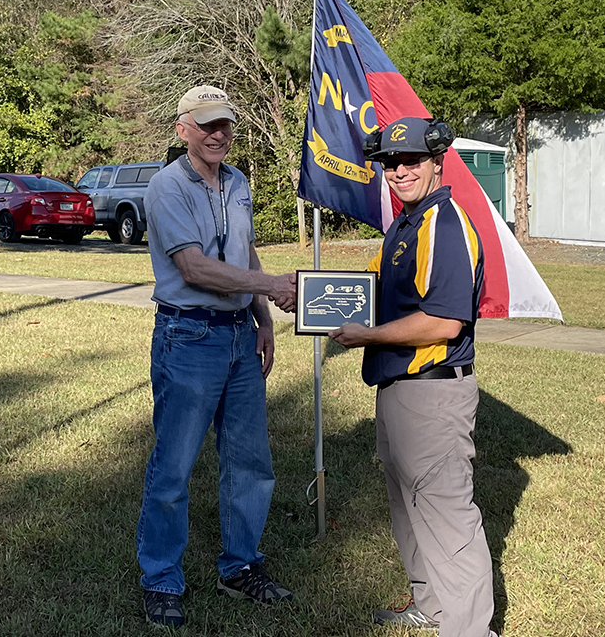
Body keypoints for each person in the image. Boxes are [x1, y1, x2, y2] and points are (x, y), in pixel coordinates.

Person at [330, 116, 497, 637]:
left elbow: (445, 321)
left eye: (411, 161)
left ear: (436, 162)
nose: (399, 170)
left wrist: (367, 336)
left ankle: (470, 630)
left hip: (433, 393)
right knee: (408, 507)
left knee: (448, 518)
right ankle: (431, 604)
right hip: (401, 389)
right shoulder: (408, 222)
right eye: (390, 163)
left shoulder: (445, 225)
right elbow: (391, 300)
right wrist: (319, 297)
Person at [137, 85, 297, 628]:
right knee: (174, 466)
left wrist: (263, 316)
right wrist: (272, 283)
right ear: (182, 128)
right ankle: (161, 579)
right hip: (189, 337)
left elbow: (243, 248)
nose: (218, 134)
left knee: (251, 462)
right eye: (206, 124)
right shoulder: (167, 186)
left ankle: (241, 565)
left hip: (238, 338)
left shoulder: (238, 182)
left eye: (225, 123)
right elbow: (195, 269)